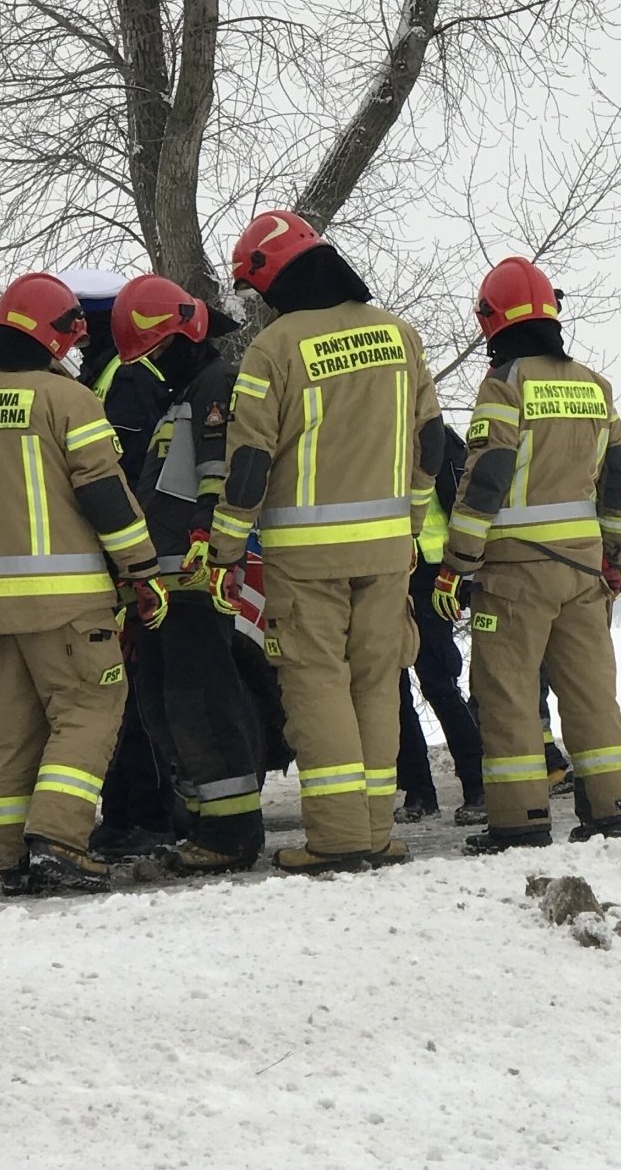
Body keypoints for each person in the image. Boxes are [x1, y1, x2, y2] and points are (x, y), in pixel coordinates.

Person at [210, 210, 443, 873]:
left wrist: (225, 550)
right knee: (376, 683)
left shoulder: (274, 348)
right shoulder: (398, 335)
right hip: (387, 552)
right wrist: (411, 522)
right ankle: (374, 831)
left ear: (275, 278)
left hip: (306, 558)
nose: (260, 304)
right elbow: (431, 440)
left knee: (317, 685)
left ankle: (338, 839)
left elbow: (249, 464)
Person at [0, 273, 168, 893]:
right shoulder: (67, 400)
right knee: (89, 711)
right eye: (69, 336)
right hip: (68, 602)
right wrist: (142, 569)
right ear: (51, 334)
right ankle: (60, 843)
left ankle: (13, 860)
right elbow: (105, 496)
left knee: (14, 734)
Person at [433, 256, 621, 854]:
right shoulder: (594, 386)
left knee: (507, 693)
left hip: (515, 576)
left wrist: (456, 564)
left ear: (491, 320)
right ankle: (610, 808)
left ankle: (519, 819)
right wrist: (612, 553)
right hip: (583, 572)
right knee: (590, 692)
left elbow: (486, 479)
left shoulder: (505, 386)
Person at [112, 274, 267, 874]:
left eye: (156, 352)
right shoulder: (180, 396)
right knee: (165, 704)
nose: (152, 366)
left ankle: (232, 834)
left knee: (204, 704)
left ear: (185, 335)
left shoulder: (216, 383)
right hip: (164, 581)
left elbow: (218, 468)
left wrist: (207, 533)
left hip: (196, 579)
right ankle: (205, 825)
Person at [57, 267, 176, 860]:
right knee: (120, 695)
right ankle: (127, 814)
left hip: (128, 562)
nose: (73, 341)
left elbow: (121, 479)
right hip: (121, 560)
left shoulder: (124, 380)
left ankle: (148, 816)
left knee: (133, 694)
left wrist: (131, 565)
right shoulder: (108, 376)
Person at [395, 423, 485, 824]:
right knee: (393, 688)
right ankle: (420, 792)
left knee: (436, 684)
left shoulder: (430, 436)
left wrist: (458, 572)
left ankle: (475, 787)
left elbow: (458, 504)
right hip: (390, 571)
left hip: (428, 573)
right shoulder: (407, 430)